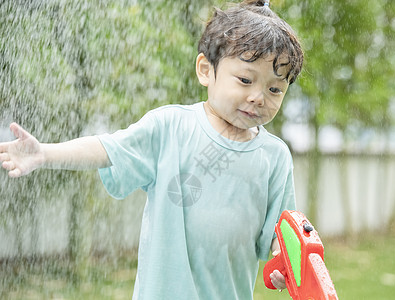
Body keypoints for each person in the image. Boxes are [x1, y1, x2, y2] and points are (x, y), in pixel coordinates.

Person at [0, 0, 303, 298]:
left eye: (274, 89)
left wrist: (283, 264)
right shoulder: (169, 128)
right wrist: (45, 154)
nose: (258, 97)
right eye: (245, 80)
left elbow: (280, 232)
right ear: (205, 70)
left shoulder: (274, 158)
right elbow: (107, 148)